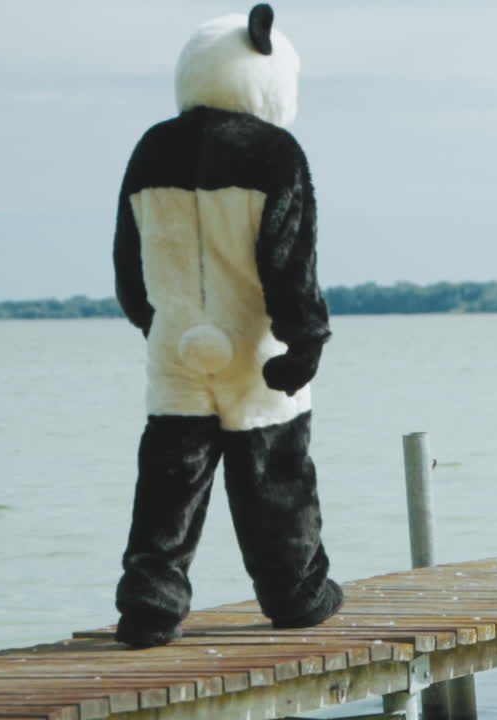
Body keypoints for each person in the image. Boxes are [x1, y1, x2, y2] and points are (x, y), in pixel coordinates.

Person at [111, 3, 342, 648]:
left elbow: (128, 257)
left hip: (178, 345)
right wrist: (306, 340)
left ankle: (149, 608)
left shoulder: (150, 148)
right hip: (254, 346)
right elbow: (289, 260)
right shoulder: (275, 152)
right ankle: (296, 594)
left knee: (167, 486)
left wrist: (150, 321)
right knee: (275, 478)